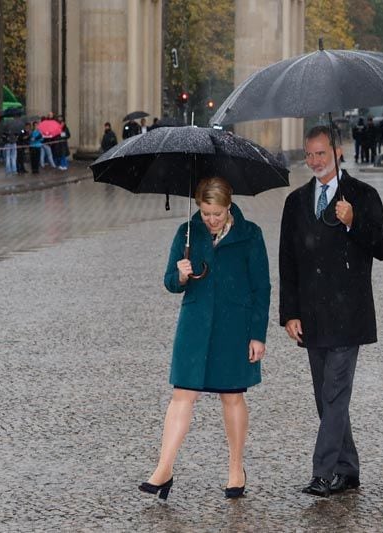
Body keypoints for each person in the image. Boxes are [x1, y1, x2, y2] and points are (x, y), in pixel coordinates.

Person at [279, 125, 383, 497]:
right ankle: (348, 468)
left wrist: (353, 221)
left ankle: (323, 472)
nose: (314, 161)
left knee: (334, 395)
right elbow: (288, 262)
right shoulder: (295, 202)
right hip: (311, 316)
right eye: (309, 154)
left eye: (321, 154)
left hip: (349, 314)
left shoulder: (363, 195)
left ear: (338, 152)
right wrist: (289, 313)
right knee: (324, 397)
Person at [140, 177, 270, 501]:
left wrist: (257, 335)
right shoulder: (187, 232)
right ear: (198, 206)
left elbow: (262, 288)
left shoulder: (250, 234)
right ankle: (164, 469)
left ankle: (236, 469)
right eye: (205, 212)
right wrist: (181, 275)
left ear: (229, 206)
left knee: (232, 396)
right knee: (182, 394)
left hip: (234, 325)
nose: (211, 220)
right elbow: (170, 282)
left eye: (217, 213)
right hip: (195, 324)